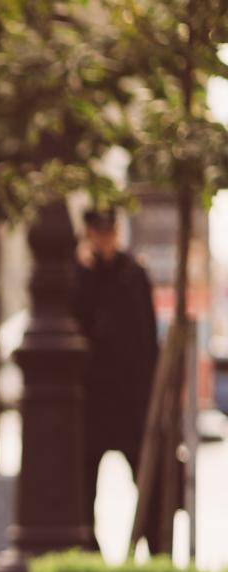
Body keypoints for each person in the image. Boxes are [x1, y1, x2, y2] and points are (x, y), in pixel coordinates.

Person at [71, 206, 160, 551]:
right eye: (99, 231)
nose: (105, 238)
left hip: (130, 401)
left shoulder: (133, 273)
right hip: (91, 400)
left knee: (147, 478)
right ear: (89, 233)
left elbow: (147, 337)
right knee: (83, 487)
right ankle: (89, 553)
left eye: (110, 231)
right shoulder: (77, 274)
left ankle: (155, 548)